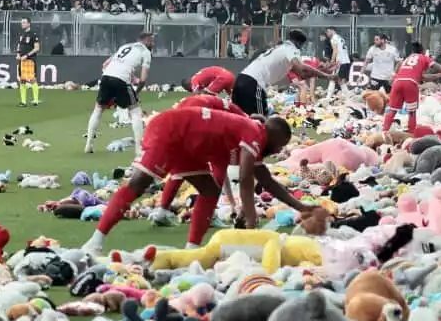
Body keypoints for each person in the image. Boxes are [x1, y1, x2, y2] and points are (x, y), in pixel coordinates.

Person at [81, 108, 301, 255]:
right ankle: (95, 243)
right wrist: (251, 220)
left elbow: (266, 181)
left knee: (210, 191)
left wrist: (303, 207)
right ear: (276, 136)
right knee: (138, 184)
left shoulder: (254, 134)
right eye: (282, 145)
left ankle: (191, 251)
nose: (280, 150)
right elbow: (244, 178)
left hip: (188, 143)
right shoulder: (256, 131)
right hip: (171, 130)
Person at [148, 93, 250, 221]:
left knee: (181, 166)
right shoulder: (245, 126)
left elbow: (222, 170)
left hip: (181, 117)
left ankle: (162, 211)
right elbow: (221, 167)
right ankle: (208, 213)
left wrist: (232, 203)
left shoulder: (236, 117)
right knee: (216, 161)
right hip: (197, 118)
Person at [234, 30, 337, 117]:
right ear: (299, 44)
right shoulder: (291, 49)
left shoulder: (280, 49)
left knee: (241, 119)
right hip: (254, 83)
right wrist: (327, 75)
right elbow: (302, 69)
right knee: (260, 122)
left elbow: (302, 74)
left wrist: (321, 71)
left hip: (241, 79)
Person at [85, 32, 154, 154]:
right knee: (135, 112)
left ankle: (89, 145)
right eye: (152, 41)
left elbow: (105, 64)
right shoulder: (146, 52)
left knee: (98, 110)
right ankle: (139, 149)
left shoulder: (125, 46)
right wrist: (136, 92)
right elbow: (143, 79)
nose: (153, 43)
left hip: (106, 77)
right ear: (146, 41)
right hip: (121, 80)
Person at [383, 43, 441, 132]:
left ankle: (384, 131)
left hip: (397, 82)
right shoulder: (424, 57)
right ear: (423, 51)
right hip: (410, 83)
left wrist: (439, 75)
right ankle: (411, 132)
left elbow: (423, 77)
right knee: (411, 112)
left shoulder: (407, 59)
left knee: (392, 110)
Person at [15, 18, 42, 108]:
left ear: (29, 24)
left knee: (32, 79)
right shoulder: (21, 34)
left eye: (24, 22)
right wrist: (18, 54)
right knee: (22, 80)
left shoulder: (33, 34)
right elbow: (19, 46)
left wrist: (27, 55)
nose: (22, 24)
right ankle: (23, 101)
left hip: (30, 60)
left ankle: (35, 100)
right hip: (22, 60)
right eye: (21, 22)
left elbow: (37, 48)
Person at [325, 27, 351, 97]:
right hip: (346, 61)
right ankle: (348, 96)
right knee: (340, 81)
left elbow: (335, 51)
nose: (327, 34)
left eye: (327, 31)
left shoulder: (333, 38)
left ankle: (328, 97)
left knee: (333, 78)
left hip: (340, 61)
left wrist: (332, 61)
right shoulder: (340, 38)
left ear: (332, 31)